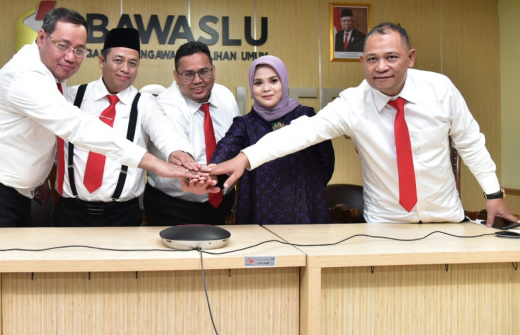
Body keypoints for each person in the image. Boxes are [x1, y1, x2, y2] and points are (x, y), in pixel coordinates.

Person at [211, 23, 515, 226]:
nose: (381, 67)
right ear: (362, 62)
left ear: (410, 58)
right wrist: (245, 157)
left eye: (391, 57)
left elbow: (470, 142)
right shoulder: (353, 103)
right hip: (385, 224)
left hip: (445, 218)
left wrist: (493, 194)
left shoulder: (440, 89)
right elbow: (301, 132)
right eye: (372, 59)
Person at [0, 8, 199, 228]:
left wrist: (179, 153)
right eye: (63, 45)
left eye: (79, 50)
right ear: (41, 38)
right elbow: (78, 127)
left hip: (112, 211)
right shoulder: (29, 78)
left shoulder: (54, 78)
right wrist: (155, 164)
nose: (71, 57)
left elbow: (164, 130)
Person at [52, 28, 197, 227]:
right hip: (71, 213)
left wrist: (177, 151)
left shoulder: (144, 102)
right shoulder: (72, 96)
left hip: (122, 216)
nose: (125, 69)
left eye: (132, 63)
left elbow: (165, 130)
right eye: (118, 60)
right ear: (101, 61)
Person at [184, 55, 335, 224]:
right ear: (251, 86)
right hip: (260, 208)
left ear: (284, 82)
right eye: (258, 83)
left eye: (273, 81)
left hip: (305, 207)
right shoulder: (245, 124)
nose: (266, 88)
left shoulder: (306, 116)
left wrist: (309, 188)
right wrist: (212, 168)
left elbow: (326, 162)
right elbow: (227, 147)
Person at [144, 41, 239, 226]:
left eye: (204, 72)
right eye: (188, 74)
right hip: (173, 206)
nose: (197, 80)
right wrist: (196, 174)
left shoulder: (225, 96)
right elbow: (176, 141)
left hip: (222, 203)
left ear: (213, 70)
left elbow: (235, 142)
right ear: (176, 75)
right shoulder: (165, 104)